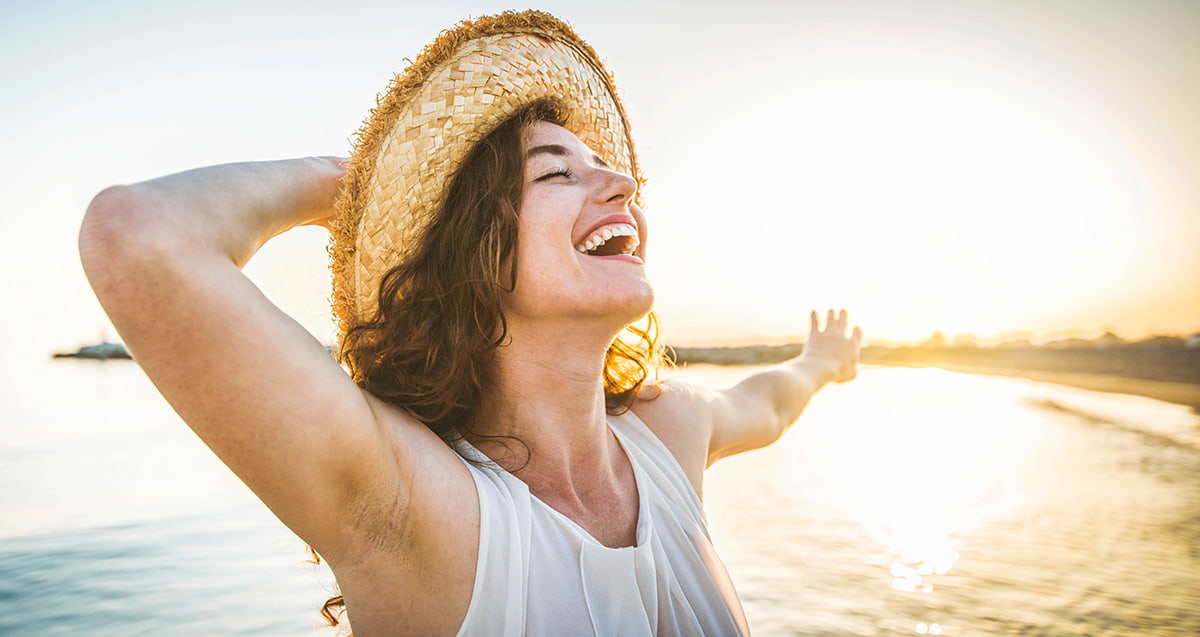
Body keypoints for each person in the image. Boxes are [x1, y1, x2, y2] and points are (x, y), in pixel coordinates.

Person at [79, 10, 861, 637]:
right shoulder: (417, 509)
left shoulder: (668, 431)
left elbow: (771, 399)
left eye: (606, 166)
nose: (622, 182)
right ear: (478, 251)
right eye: (559, 170)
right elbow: (138, 236)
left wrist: (822, 359)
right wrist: (350, 186)